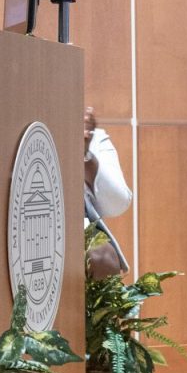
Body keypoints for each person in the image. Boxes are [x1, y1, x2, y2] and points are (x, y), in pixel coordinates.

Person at [83, 106, 133, 279]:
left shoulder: (91, 134)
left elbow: (117, 204)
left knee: (101, 256)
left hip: (75, 230)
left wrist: (85, 155)